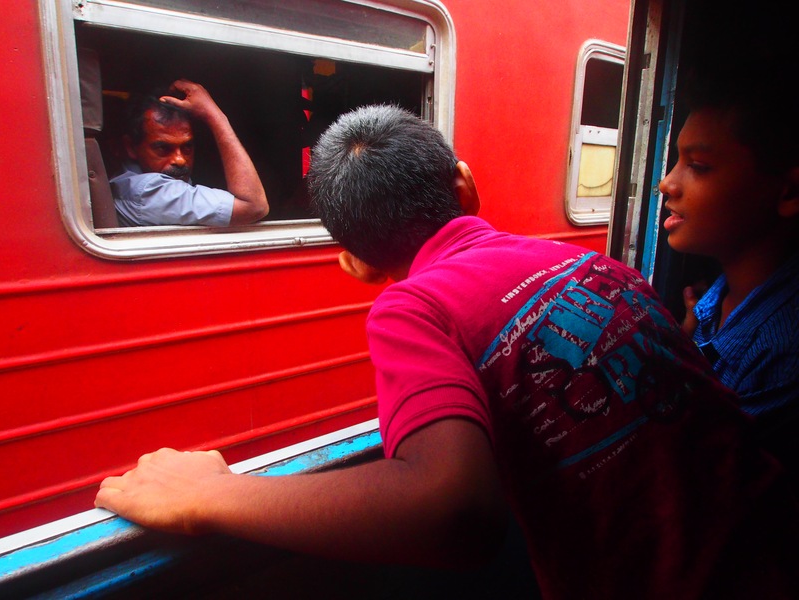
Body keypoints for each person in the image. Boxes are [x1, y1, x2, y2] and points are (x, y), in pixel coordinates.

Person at [96, 105, 797, 599]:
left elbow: (455, 516)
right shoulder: (595, 265)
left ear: (357, 267)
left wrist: (213, 495)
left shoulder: (412, 306)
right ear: (466, 185)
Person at [659, 61, 799, 472]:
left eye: (698, 167)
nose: (667, 183)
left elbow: (703, 468)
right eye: (677, 161)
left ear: (789, 192)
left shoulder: (782, 352)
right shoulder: (716, 297)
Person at [112, 79, 269, 227]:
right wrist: (215, 115)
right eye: (163, 148)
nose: (180, 160)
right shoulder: (146, 192)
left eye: (187, 147)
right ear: (130, 147)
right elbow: (254, 206)